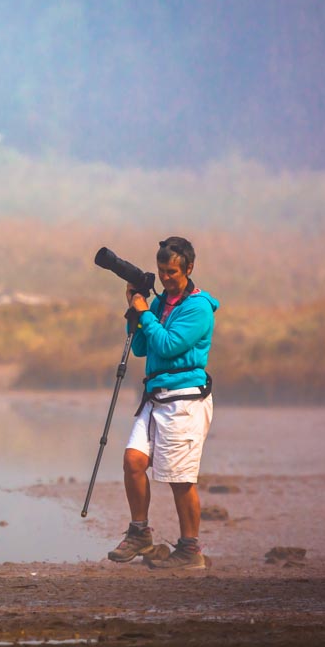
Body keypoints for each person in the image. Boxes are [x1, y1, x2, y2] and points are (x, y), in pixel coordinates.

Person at [106, 237, 218, 570]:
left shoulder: (198, 309)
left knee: (181, 480)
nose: (166, 278)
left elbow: (168, 346)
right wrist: (134, 311)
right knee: (133, 461)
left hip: (185, 401)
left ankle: (190, 550)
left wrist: (146, 314)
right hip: (155, 398)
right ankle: (140, 532)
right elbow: (142, 347)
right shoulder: (158, 305)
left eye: (172, 271)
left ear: (189, 268)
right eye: (161, 271)